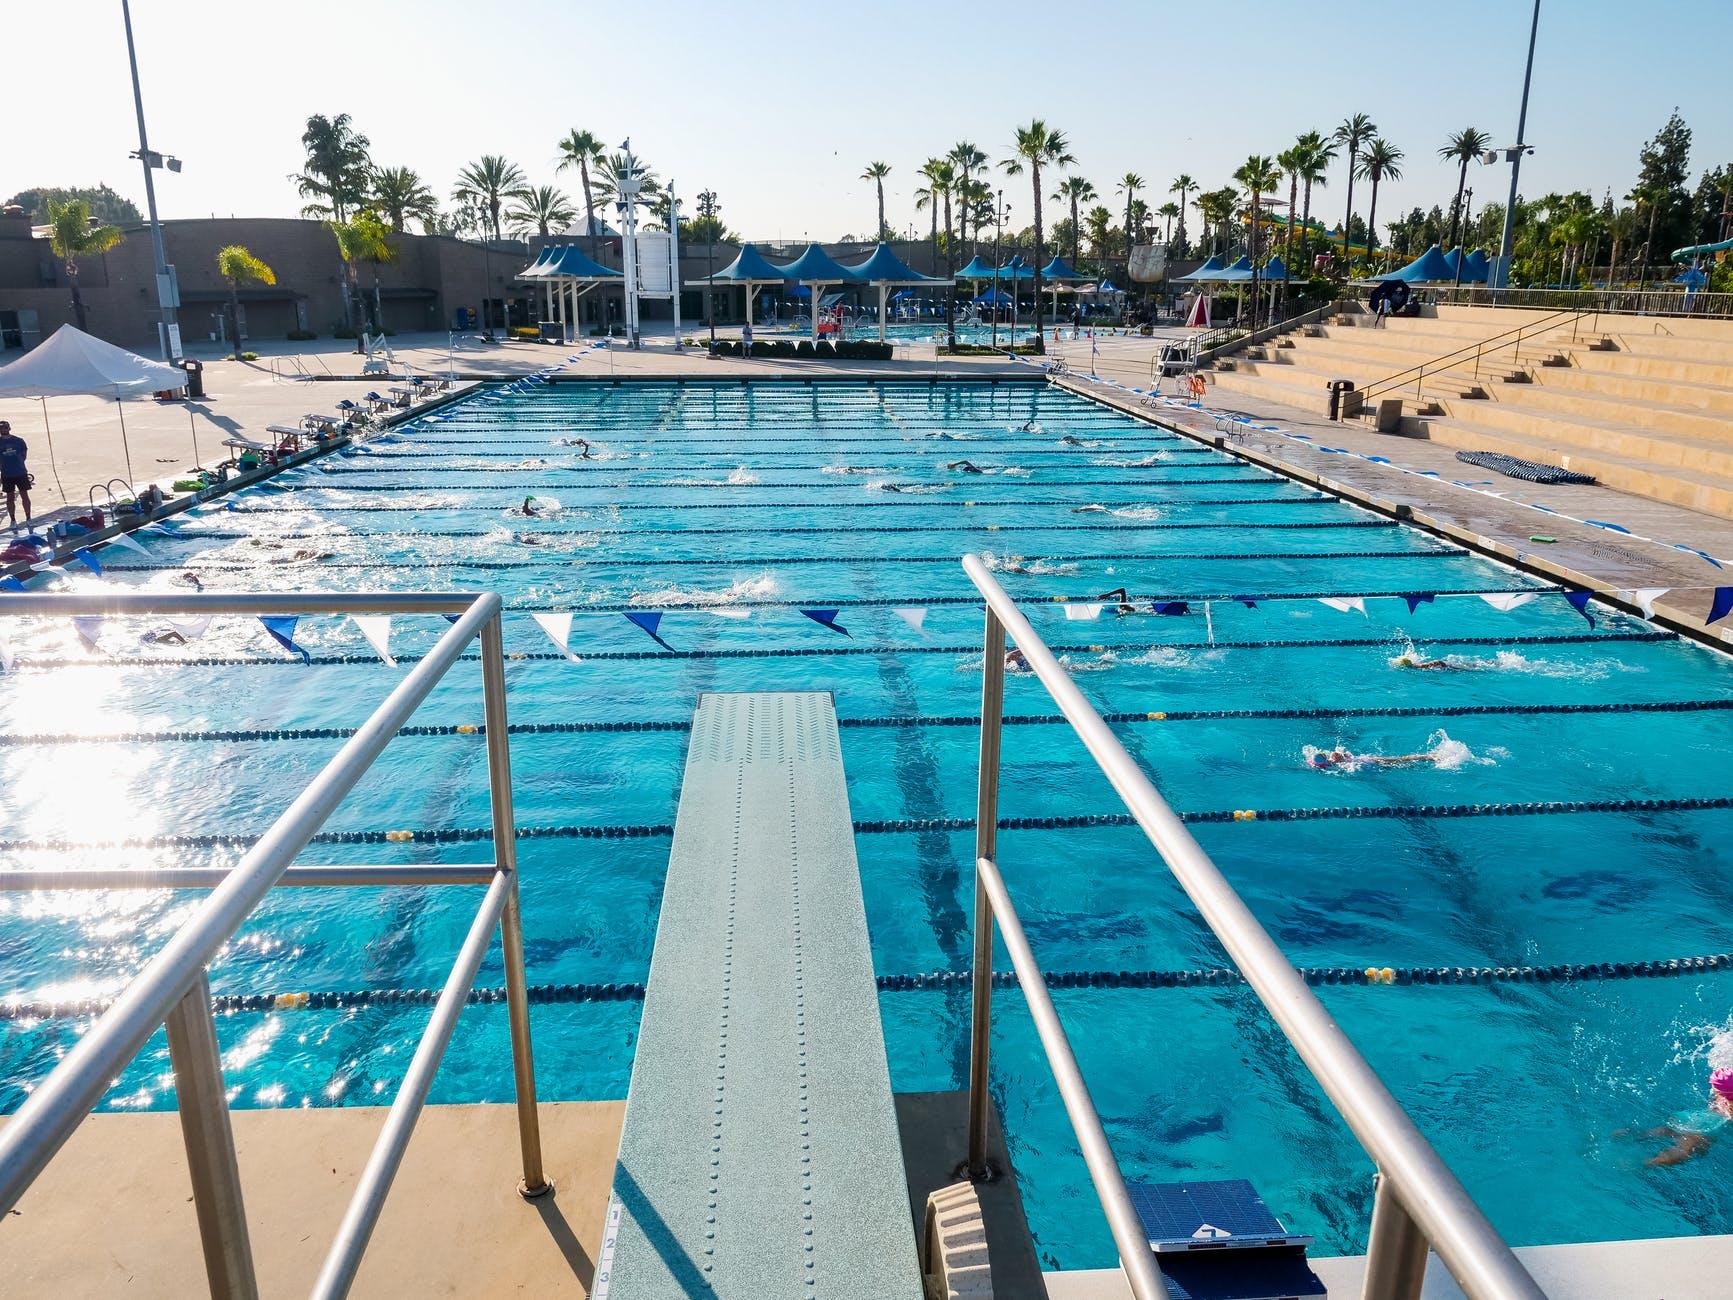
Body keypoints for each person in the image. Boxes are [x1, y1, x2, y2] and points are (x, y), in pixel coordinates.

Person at [1633, 1069, 1733, 1167]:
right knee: (1683, 1152)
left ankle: (1628, 1134)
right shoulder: (1730, 1106)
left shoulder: (1719, 1098)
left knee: (1664, 1131)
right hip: (1701, 1128)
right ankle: (1644, 1164)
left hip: (1689, 1117)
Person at [0, 421, 32, 531]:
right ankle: (13, 520)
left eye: (5, 428)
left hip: (20, 472)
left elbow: (24, 454)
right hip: (6, 474)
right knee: (10, 497)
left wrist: (17, 463)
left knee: (24, 495)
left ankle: (28, 518)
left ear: (9, 428)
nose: (3, 430)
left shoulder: (18, 441)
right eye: (1, 428)